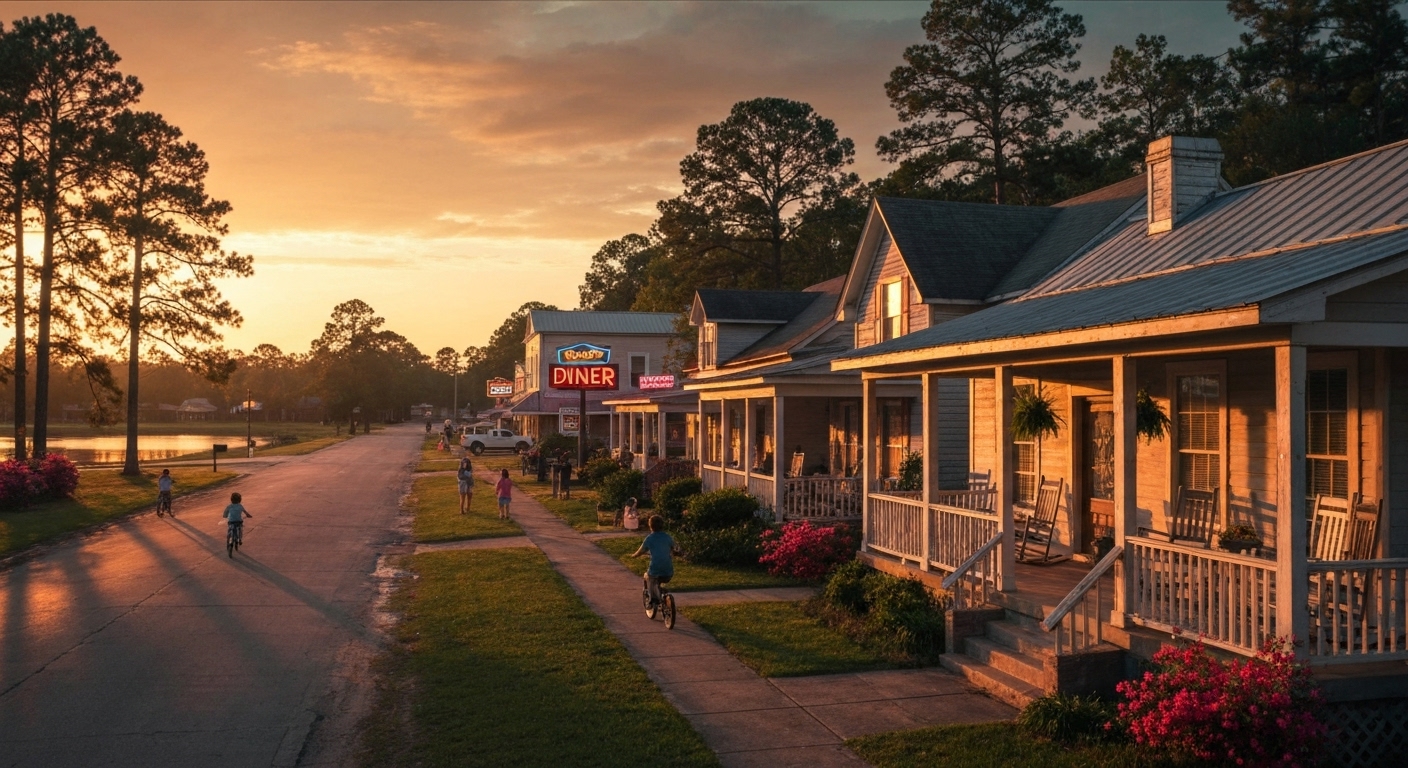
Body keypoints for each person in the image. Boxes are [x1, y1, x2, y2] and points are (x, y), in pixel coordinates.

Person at [631, 515, 678, 606]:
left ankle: (654, 599)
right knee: (660, 579)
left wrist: (634, 556)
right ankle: (662, 594)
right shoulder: (667, 537)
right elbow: (675, 548)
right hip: (668, 570)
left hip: (655, 568)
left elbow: (641, 551)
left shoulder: (649, 538)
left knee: (649, 578)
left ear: (650, 526)